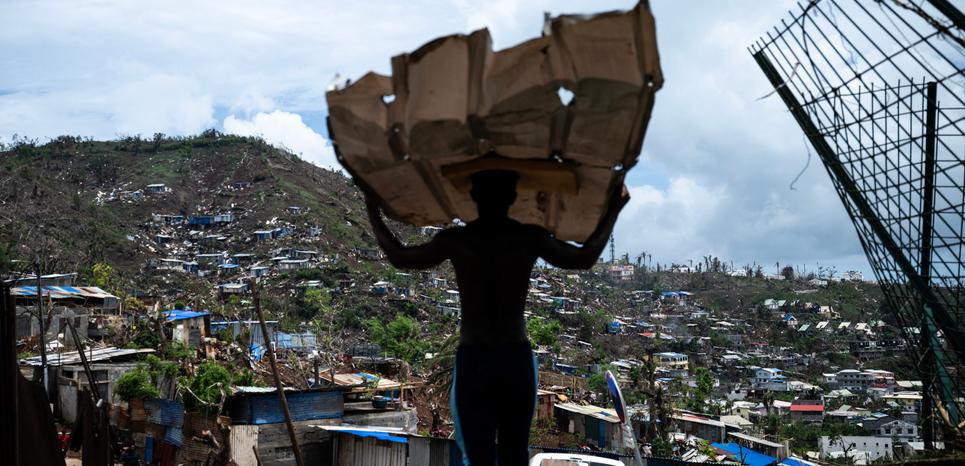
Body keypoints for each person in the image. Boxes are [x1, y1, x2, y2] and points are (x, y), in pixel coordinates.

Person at [363, 169, 629, 465]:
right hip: (513, 359)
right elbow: (584, 257)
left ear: (473, 196)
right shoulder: (527, 236)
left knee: (480, 456)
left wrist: (371, 209)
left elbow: (400, 256)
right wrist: (614, 209)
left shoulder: (458, 239)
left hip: (475, 359)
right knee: (514, 453)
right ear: (513, 198)